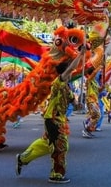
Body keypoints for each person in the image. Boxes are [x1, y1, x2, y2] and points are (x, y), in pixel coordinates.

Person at [16, 51, 84, 184]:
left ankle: (22, 159)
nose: (71, 74)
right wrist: (81, 55)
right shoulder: (58, 83)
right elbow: (71, 67)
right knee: (61, 146)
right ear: (64, 73)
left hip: (59, 120)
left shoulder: (67, 88)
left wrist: (78, 104)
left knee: (45, 144)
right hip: (52, 120)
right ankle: (56, 174)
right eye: (69, 72)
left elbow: (74, 104)